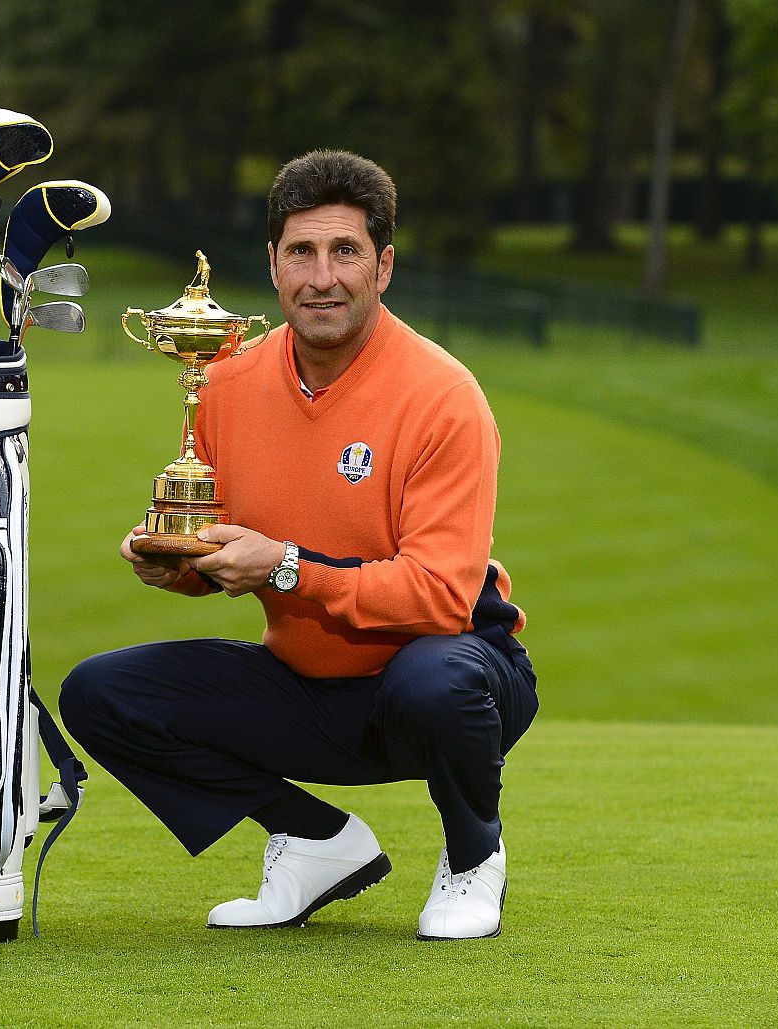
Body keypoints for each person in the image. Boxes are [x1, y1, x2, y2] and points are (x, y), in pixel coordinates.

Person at [60, 150, 537, 941]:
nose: (323, 276)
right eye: (302, 253)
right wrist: (172, 563)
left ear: (383, 266)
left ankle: (472, 854)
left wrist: (284, 565)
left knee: (433, 678)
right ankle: (316, 839)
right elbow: (221, 553)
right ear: (273, 265)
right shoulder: (225, 380)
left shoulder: (444, 395)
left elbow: (440, 599)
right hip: (306, 683)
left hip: (447, 679)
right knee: (101, 693)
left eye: (345, 251)